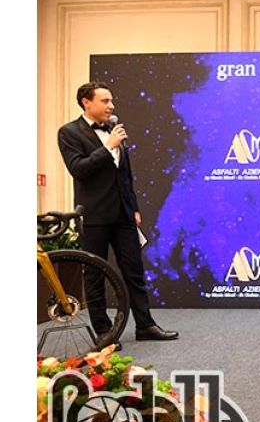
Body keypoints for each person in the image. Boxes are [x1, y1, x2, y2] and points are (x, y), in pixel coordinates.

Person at [58, 81, 178, 348]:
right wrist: (108, 147)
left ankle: (145, 325)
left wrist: (133, 207)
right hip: (94, 216)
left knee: (134, 271)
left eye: (111, 101)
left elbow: (125, 174)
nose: (111, 106)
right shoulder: (69, 132)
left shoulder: (113, 130)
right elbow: (79, 169)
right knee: (95, 275)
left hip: (123, 214)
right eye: (105, 101)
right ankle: (104, 332)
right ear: (86, 102)